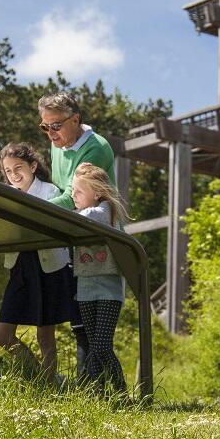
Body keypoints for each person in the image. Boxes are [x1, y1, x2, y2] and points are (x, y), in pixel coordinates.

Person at [37, 92, 118, 375]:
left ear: (75, 119)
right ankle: (92, 389)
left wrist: (33, 207)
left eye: (56, 126)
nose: (51, 134)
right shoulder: (57, 145)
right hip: (72, 235)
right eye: (44, 127)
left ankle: (98, 390)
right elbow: (61, 190)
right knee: (80, 322)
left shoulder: (96, 148)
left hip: (98, 239)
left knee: (97, 333)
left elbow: (76, 197)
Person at [0, 143, 78, 383]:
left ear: (33, 166)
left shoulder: (51, 192)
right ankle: (36, 374)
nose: (13, 175)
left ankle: (48, 383)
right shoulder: (4, 195)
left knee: (45, 334)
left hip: (49, 267)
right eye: (8, 171)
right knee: (2, 334)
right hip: (19, 267)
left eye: (18, 167)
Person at [70, 162, 128, 393]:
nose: (73, 195)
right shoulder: (79, 215)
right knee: (94, 346)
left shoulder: (105, 212)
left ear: (97, 193)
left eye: (78, 191)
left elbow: (91, 217)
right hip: (85, 287)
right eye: (72, 190)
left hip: (108, 289)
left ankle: (120, 390)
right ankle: (98, 393)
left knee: (102, 345)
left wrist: (66, 215)